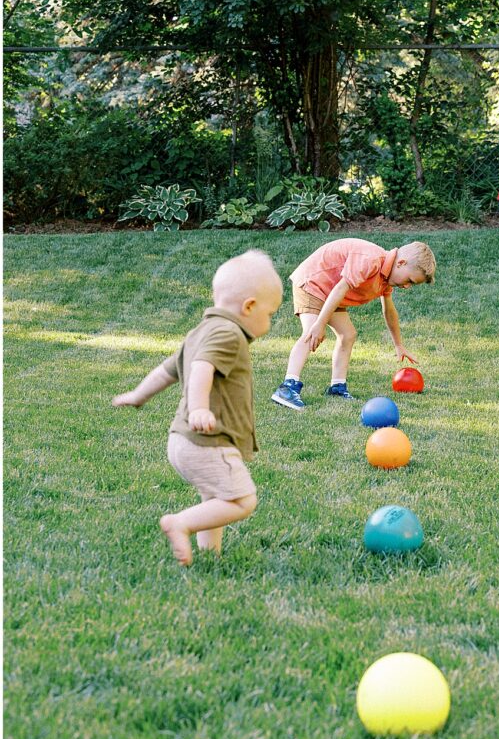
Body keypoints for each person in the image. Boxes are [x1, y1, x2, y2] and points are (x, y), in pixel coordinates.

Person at [112, 250, 283, 566]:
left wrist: (138, 395)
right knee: (242, 500)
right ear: (249, 307)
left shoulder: (200, 331)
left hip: (182, 441)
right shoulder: (228, 333)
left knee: (216, 496)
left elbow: (168, 370)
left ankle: (209, 553)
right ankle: (181, 523)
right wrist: (199, 409)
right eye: (270, 314)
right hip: (208, 439)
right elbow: (203, 367)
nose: (269, 323)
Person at [271, 238, 436, 410]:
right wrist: (320, 324)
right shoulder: (370, 260)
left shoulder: (387, 278)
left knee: (347, 335)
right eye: (410, 280)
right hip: (313, 283)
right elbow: (341, 288)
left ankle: (337, 387)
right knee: (310, 332)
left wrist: (398, 344)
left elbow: (389, 311)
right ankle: (288, 386)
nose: (408, 286)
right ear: (401, 263)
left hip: (330, 293)